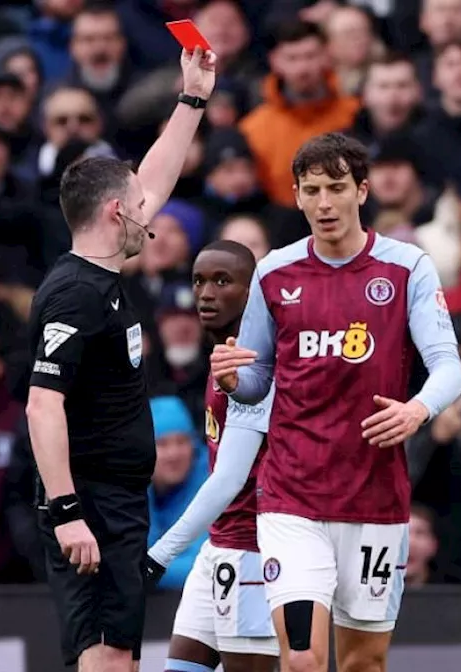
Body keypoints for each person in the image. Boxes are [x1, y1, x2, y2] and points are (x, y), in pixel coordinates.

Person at [207, 132, 461, 672]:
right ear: (296, 196)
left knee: (362, 665)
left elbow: (448, 367)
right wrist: (233, 381)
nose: (324, 203)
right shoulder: (274, 273)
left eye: (336, 188)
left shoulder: (406, 268)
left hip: (373, 496)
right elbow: (258, 380)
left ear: (362, 191)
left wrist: (417, 409)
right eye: (311, 190)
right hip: (290, 497)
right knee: (302, 659)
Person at [25, 47, 216, 672]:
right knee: (108, 658)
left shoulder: (100, 270)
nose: (150, 211)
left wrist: (192, 98)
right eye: (138, 205)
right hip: (93, 502)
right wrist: (68, 510)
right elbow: (41, 403)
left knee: (112, 657)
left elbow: (156, 176)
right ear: (115, 213)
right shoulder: (75, 294)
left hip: (114, 501)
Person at [145, 240, 279, 671]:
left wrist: (159, 554)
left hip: (253, 546)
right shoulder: (221, 356)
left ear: (250, 292)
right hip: (218, 544)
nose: (206, 293)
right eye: (199, 280)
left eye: (223, 281)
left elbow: (229, 478)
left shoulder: (253, 366)